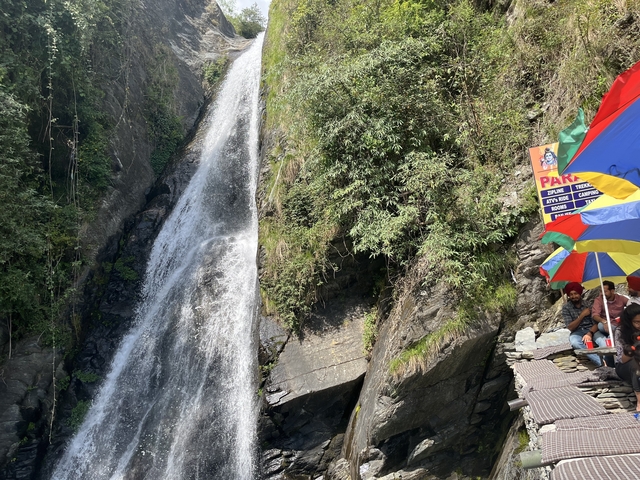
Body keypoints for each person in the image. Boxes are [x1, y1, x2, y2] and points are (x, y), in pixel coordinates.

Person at [562, 282, 602, 367]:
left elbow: (596, 323)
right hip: (577, 331)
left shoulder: (588, 305)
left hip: (592, 330)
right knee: (575, 343)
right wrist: (582, 316)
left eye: (575, 293)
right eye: (571, 294)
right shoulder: (566, 308)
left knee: (602, 341)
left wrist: (589, 333)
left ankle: (611, 362)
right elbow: (570, 327)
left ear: (580, 293)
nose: (573, 296)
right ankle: (601, 363)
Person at [614, 303, 640, 412]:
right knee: (636, 367)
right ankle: (639, 401)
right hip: (625, 365)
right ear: (629, 322)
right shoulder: (620, 332)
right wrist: (632, 349)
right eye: (637, 322)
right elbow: (622, 359)